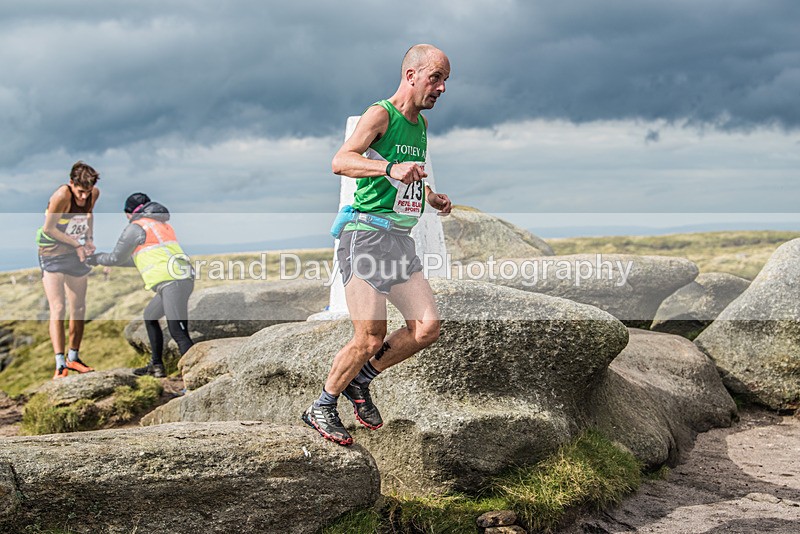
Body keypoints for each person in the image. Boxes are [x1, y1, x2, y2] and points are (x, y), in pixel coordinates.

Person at [302, 44, 453, 445]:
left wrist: (431, 196)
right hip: (365, 236)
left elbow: (409, 177)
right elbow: (341, 160)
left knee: (427, 328)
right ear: (411, 75)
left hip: (398, 242)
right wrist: (389, 166)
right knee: (369, 336)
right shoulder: (380, 114)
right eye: (435, 78)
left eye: (445, 81)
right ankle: (322, 404)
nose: (441, 88)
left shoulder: (419, 124)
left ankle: (361, 381)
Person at [87, 193, 194, 377]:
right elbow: (141, 258)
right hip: (181, 278)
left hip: (170, 282)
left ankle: (194, 379)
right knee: (150, 316)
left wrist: (96, 259)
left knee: (178, 333)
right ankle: (156, 365)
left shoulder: (136, 228)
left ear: (129, 213)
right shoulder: (161, 225)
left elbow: (115, 257)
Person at [36, 161, 100, 379]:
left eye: (87, 192)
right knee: (59, 307)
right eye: (80, 192)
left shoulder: (93, 194)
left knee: (79, 307)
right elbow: (49, 228)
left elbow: (88, 215)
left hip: (75, 253)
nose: (83, 197)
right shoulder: (61, 195)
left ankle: (74, 358)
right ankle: (60, 364)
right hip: (51, 253)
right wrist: (78, 245)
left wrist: (89, 240)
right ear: (72, 183)